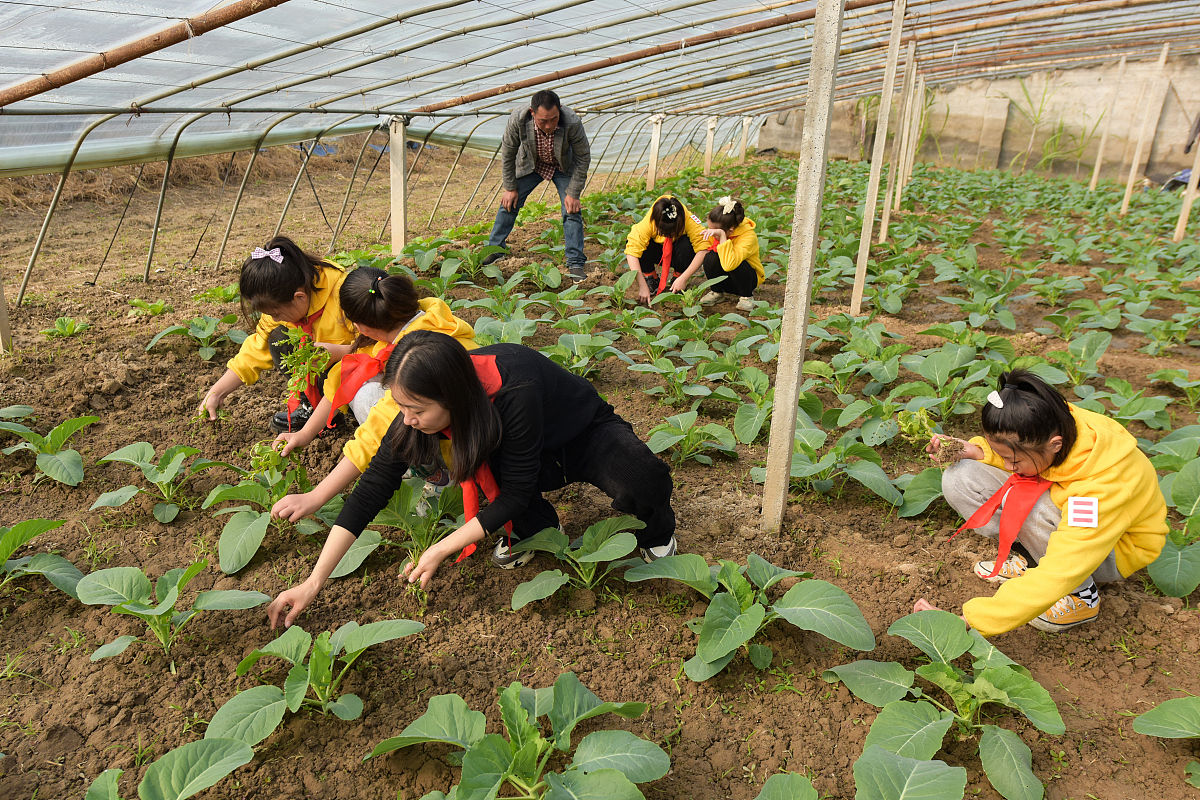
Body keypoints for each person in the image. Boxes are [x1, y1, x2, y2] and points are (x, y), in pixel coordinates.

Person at [267, 331, 677, 628]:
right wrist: (313, 582)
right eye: (402, 406)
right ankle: (538, 530)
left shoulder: (515, 387)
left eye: (416, 410)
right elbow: (373, 488)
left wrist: (441, 548)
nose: (406, 418)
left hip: (579, 434)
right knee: (501, 480)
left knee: (643, 480)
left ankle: (657, 533)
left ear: (454, 398)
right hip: (518, 451)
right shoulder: (419, 407)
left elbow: (514, 493)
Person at [914, 369, 1167, 636]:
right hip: (1063, 504)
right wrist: (976, 451)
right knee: (960, 476)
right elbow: (1017, 456)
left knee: (1025, 506)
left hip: (1113, 548)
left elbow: (1064, 566)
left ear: (1055, 445)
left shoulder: (1102, 486)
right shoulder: (1050, 420)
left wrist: (969, 621)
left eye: (1014, 461)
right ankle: (1030, 558)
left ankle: (1082, 596)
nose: (1009, 467)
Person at [270, 267, 476, 507]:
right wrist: (304, 434)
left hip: (465, 444)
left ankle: (440, 479)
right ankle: (416, 465)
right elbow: (342, 380)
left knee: (371, 397)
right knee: (361, 384)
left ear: (360, 326)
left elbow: (377, 430)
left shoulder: (419, 355)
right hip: (458, 425)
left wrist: (316, 496)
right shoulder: (416, 321)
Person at [201, 236, 357, 432]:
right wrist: (217, 392)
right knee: (277, 339)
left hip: (356, 371)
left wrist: (339, 352)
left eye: (276, 313)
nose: (274, 318)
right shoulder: (281, 300)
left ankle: (350, 411)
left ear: (299, 297)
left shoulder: (345, 294)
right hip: (325, 374)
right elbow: (257, 349)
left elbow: (376, 345)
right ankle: (314, 409)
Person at [482, 89, 591, 281]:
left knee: (571, 210)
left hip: (562, 166)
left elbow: (583, 156)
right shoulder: (518, 119)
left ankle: (575, 262)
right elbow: (508, 153)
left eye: (553, 119)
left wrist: (573, 193)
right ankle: (495, 249)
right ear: (533, 113)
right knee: (508, 203)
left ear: (560, 111)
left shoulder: (572, 121)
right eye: (543, 121)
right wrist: (509, 187)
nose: (548, 125)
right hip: (530, 164)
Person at [667, 196, 762, 313]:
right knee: (710, 257)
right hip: (727, 281)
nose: (712, 234)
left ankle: (747, 297)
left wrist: (722, 237)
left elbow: (729, 265)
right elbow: (703, 251)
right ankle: (717, 292)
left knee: (735, 261)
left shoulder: (748, 237)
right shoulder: (718, 232)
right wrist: (683, 278)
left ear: (730, 230)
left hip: (746, 281)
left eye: (715, 232)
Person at [625, 195, 709, 305]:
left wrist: (684, 278)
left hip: (677, 252)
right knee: (635, 243)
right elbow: (631, 253)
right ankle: (651, 277)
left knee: (688, 245)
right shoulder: (649, 222)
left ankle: (678, 277)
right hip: (658, 251)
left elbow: (704, 248)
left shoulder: (687, 219)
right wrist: (642, 285)